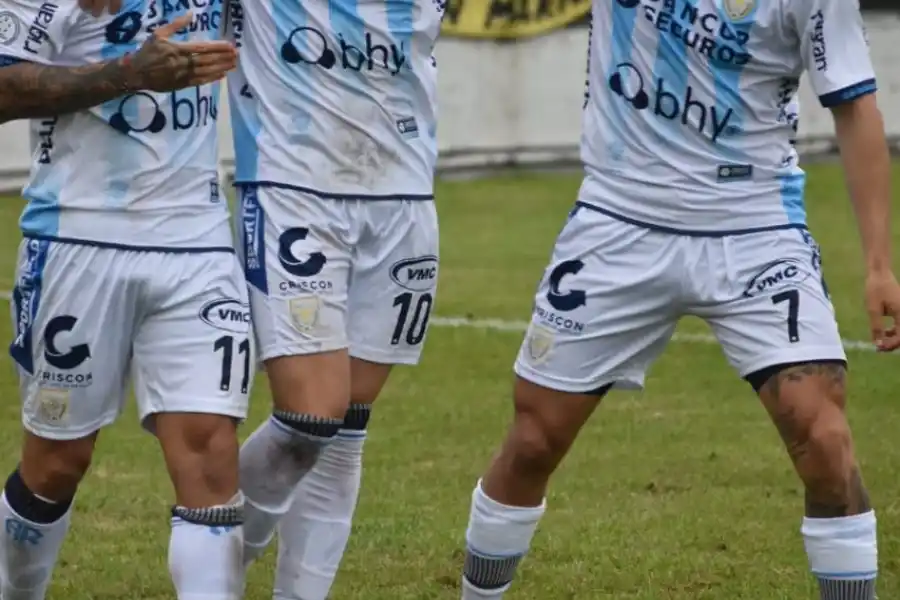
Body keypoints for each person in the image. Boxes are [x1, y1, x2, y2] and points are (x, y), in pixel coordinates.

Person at [458, 0, 898, 599]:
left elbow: (854, 103)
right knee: (535, 439)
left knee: (822, 436)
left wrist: (877, 266)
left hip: (754, 225)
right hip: (620, 216)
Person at [0, 3, 251, 598]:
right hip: (78, 238)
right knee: (57, 465)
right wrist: (128, 73)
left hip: (197, 242)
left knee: (211, 453)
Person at [224, 0, 442, 597]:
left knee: (346, 428)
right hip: (292, 186)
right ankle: (214, 563)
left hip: (403, 196)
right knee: (309, 418)